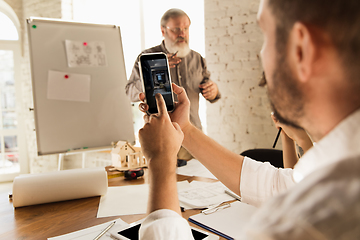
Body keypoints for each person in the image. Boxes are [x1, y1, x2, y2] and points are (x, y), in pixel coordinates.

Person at [137, 0, 360, 239]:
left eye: (266, 35)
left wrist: (160, 164)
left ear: (301, 50)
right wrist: (185, 130)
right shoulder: (339, 167)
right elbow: (274, 184)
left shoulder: (309, 223)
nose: (261, 55)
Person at [125, 8, 221, 161]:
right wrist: (152, 73)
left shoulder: (198, 59)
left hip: (193, 137)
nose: (182, 33)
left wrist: (214, 91)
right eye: (176, 29)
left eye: (185, 28)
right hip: (162, 138)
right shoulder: (147, 58)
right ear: (163, 31)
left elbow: (210, 91)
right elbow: (129, 93)